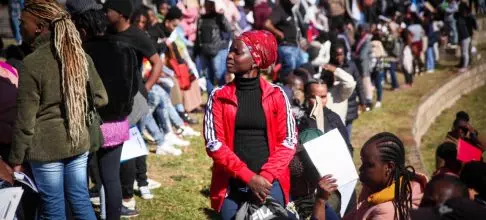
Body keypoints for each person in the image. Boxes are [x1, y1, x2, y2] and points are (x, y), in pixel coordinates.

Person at [8, 0, 108, 218]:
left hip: (46, 149)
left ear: (39, 27)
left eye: (22, 22)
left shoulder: (32, 63)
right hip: (78, 141)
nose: (19, 26)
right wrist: (73, 105)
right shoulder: (80, 56)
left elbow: (25, 119)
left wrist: (15, 159)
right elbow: (101, 98)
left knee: (53, 209)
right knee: (81, 201)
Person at [203, 30, 297, 219]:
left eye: (237, 52)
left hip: (269, 182)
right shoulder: (218, 96)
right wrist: (249, 177)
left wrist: (265, 178)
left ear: (255, 60)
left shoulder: (277, 95)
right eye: (230, 50)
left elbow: (288, 141)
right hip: (232, 183)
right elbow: (214, 143)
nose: (229, 55)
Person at [313, 132, 427, 220]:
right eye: (362, 162)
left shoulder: (386, 213)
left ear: (389, 167)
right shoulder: (373, 189)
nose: (361, 169)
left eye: (368, 165)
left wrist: (320, 201)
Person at [195, 0, 232, 94]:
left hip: (218, 50)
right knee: (207, 76)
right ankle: (211, 99)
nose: (208, 6)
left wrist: (221, 16)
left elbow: (228, 29)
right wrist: (196, 51)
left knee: (219, 75)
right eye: (206, 4)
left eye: (210, 4)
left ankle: (224, 97)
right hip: (204, 51)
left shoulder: (218, 17)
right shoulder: (201, 19)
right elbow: (198, 35)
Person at [265, 0, 308, 80]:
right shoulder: (280, 10)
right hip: (285, 45)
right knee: (290, 64)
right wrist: (277, 32)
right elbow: (267, 24)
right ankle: (284, 82)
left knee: (304, 63)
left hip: (296, 46)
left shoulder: (293, 12)